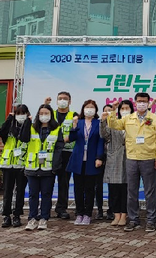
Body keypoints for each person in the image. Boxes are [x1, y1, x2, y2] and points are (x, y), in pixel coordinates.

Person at [107, 92, 156, 232]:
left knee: (150, 191)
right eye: (139, 101)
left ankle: (151, 220)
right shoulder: (128, 119)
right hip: (131, 158)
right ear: (135, 102)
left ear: (148, 102)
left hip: (148, 158)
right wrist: (113, 111)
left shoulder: (155, 119)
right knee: (131, 191)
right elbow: (114, 124)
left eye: (144, 101)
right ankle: (133, 219)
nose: (141, 103)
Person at [19, 104, 64, 231]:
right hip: (32, 167)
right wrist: (27, 122)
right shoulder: (32, 127)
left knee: (46, 194)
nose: (44, 116)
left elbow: (59, 148)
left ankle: (44, 218)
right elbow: (23, 138)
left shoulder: (56, 129)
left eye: (46, 113)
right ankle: (32, 218)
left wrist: (56, 165)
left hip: (48, 168)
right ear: (38, 115)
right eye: (41, 113)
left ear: (51, 115)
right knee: (33, 194)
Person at [67, 100, 104, 225]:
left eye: (92, 107)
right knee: (78, 188)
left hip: (91, 160)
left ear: (95, 110)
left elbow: (100, 141)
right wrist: (74, 126)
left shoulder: (98, 123)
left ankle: (88, 214)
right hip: (78, 159)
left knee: (89, 189)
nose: (89, 109)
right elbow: (71, 139)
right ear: (83, 109)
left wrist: (99, 157)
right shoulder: (79, 122)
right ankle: (79, 213)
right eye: (87, 107)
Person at [0, 104, 31, 228]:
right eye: (18, 113)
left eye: (23, 113)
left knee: (20, 191)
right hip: (7, 165)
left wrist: (27, 122)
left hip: (21, 165)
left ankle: (17, 215)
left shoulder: (29, 127)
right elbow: (0, 133)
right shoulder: (10, 127)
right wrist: (9, 119)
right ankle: (6, 216)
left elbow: (25, 138)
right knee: (7, 192)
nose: (20, 116)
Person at [44, 92, 77, 220]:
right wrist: (45, 104)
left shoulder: (74, 115)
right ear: (57, 101)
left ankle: (61, 208)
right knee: (48, 181)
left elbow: (76, 133)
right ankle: (45, 209)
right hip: (51, 152)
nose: (62, 101)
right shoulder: (50, 114)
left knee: (64, 182)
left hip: (67, 152)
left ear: (70, 101)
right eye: (60, 99)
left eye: (65, 99)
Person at [100, 102, 131, 227]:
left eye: (126, 108)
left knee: (126, 189)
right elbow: (104, 134)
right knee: (114, 189)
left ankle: (124, 214)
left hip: (129, 158)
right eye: (122, 108)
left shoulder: (133, 123)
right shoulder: (114, 123)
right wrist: (103, 121)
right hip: (114, 159)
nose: (124, 110)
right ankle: (116, 214)